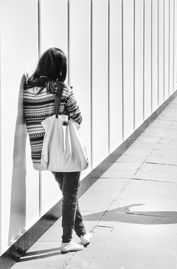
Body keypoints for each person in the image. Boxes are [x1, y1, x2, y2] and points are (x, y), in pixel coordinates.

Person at [23, 47, 92, 254]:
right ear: (61, 69)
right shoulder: (62, 90)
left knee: (67, 192)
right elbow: (78, 118)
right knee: (70, 194)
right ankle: (66, 241)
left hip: (44, 152)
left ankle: (82, 233)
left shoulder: (28, 90)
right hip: (65, 150)